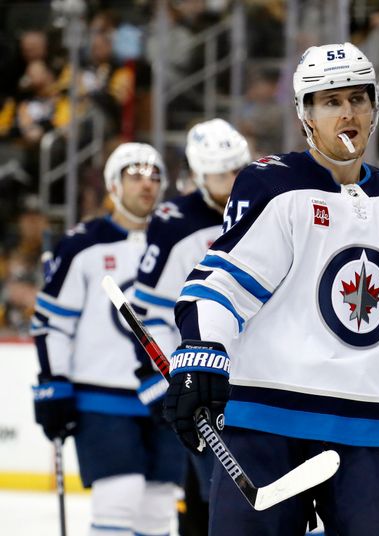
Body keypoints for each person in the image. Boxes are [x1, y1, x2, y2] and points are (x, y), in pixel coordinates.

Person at [162, 42, 379, 535]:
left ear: (375, 107)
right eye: (331, 101)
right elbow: (222, 284)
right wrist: (202, 352)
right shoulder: (275, 185)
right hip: (265, 427)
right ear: (306, 115)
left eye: (358, 99)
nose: (348, 113)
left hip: (370, 434)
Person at [30, 142, 184, 535]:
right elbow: (52, 322)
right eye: (135, 175)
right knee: (120, 495)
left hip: (164, 394)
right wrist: (54, 380)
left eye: (154, 177)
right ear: (113, 185)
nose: (147, 184)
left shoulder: (175, 243)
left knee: (158, 506)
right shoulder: (84, 244)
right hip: (102, 395)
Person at [131, 119, 251, 536]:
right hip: (201, 379)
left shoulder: (270, 206)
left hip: (259, 379)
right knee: (208, 493)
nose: (231, 181)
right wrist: (160, 376)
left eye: (237, 169)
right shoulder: (175, 222)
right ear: (200, 176)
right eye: (221, 174)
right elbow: (148, 311)